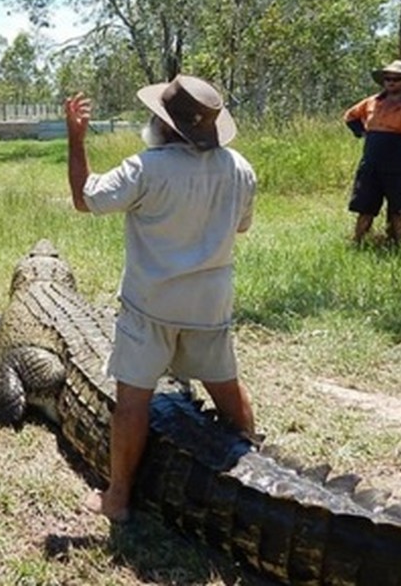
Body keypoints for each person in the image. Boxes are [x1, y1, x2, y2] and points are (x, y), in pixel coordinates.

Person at [65, 75, 257, 523]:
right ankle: (253, 468)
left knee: (133, 399)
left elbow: (83, 199)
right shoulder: (240, 167)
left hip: (150, 305)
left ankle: (118, 498)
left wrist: (77, 140)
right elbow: (242, 228)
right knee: (225, 386)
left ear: (164, 124)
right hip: (210, 303)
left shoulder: (146, 168)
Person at [343, 59, 401, 245]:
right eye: (388, 78)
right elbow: (350, 117)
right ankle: (357, 243)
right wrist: (364, 133)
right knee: (365, 207)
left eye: (396, 79)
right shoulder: (372, 101)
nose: (391, 82)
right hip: (372, 163)